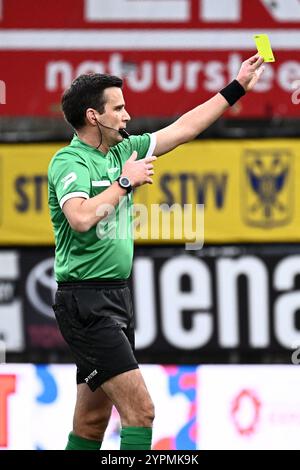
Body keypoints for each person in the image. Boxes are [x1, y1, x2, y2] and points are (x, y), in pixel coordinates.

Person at [48, 53, 264, 451]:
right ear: (94, 116)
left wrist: (236, 88)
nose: (128, 116)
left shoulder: (121, 150)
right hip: (87, 303)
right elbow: (79, 218)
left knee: (92, 422)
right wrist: (125, 184)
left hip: (113, 297)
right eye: (119, 108)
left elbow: (183, 129)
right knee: (141, 412)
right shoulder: (70, 162)